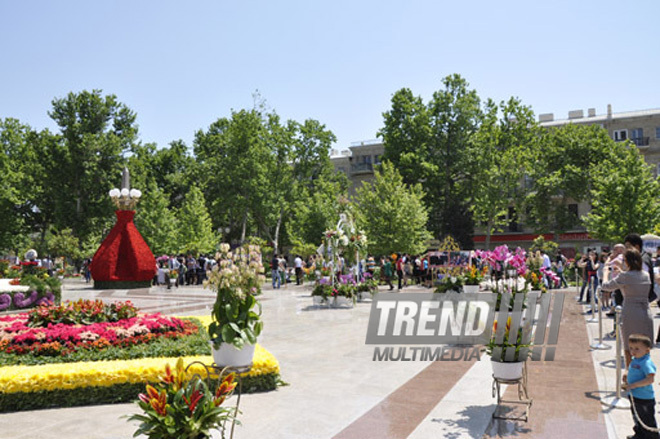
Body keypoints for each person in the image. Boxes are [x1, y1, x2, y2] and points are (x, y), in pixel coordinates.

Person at [601, 249, 654, 367]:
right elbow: (633, 280)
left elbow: (606, 286)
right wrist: (622, 272)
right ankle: (645, 373)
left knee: (629, 346)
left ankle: (630, 375)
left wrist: (605, 273)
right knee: (645, 346)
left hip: (630, 312)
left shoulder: (625, 276)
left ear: (627, 261)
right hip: (645, 312)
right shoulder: (645, 275)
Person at [622, 334, 660, 439]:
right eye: (631, 348)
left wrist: (634, 385)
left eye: (637, 349)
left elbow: (650, 379)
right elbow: (633, 370)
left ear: (647, 350)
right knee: (637, 418)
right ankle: (639, 435)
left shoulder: (646, 362)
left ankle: (652, 437)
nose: (633, 351)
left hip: (644, 398)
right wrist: (627, 375)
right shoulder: (636, 360)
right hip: (634, 396)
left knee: (647, 421)